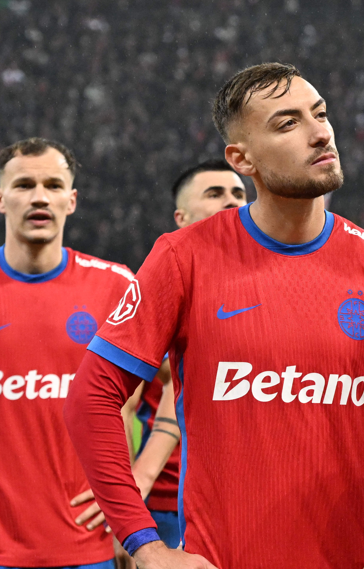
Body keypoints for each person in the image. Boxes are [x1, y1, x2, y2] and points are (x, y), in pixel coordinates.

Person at [63, 62, 364, 569]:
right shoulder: (183, 259)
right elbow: (91, 398)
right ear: (241, 159)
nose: (320, 133)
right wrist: (146, 546)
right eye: (288, 123)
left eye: (320, 114)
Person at [0, 138, 133, 568]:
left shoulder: (115, 286)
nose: (39, 197)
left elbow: (160, 389)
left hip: (87, 548)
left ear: (71, 200)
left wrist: (134, 488)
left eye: (53, 185)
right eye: (24, 185)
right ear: (0, 199)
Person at [113, 159, 250, 563]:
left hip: (250, 497)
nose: (231, 201)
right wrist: (131, 498)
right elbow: (124, 401)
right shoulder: (161, 285)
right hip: (170, 502)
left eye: (238, 193)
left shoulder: (270, 284)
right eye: (214, 193)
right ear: (181, 217)